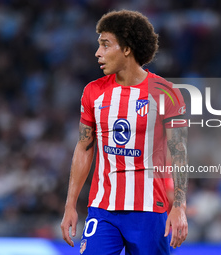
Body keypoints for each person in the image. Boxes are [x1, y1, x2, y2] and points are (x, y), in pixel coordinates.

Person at [61, 10, 188, 255]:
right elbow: (84, 147)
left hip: (150, 210)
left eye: (105, 45)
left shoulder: (166, 93)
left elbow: (179, 152)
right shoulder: (93, 92)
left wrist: (179, 206)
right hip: (102, 208)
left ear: (127, 49)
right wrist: (70, 205)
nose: (98, 53)